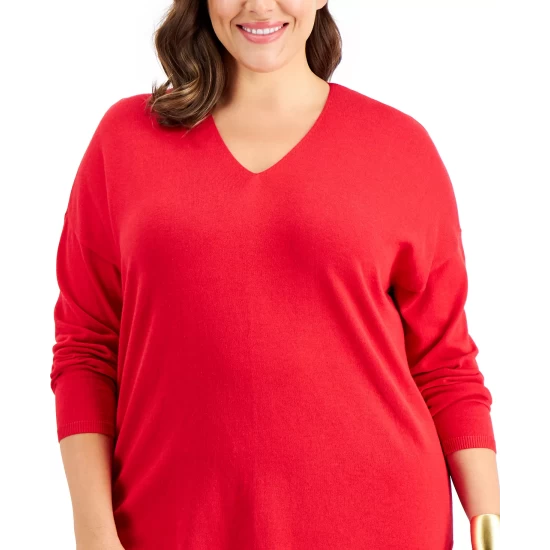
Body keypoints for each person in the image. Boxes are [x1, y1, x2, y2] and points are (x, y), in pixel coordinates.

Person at [50, 1, 500, 549]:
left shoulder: (401, 148)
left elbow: (445, 365)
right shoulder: (124, 140)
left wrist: (489, 527)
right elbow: (86, 349)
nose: (261, 5)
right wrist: (94, 533)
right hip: (170, 527)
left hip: (382, 525)